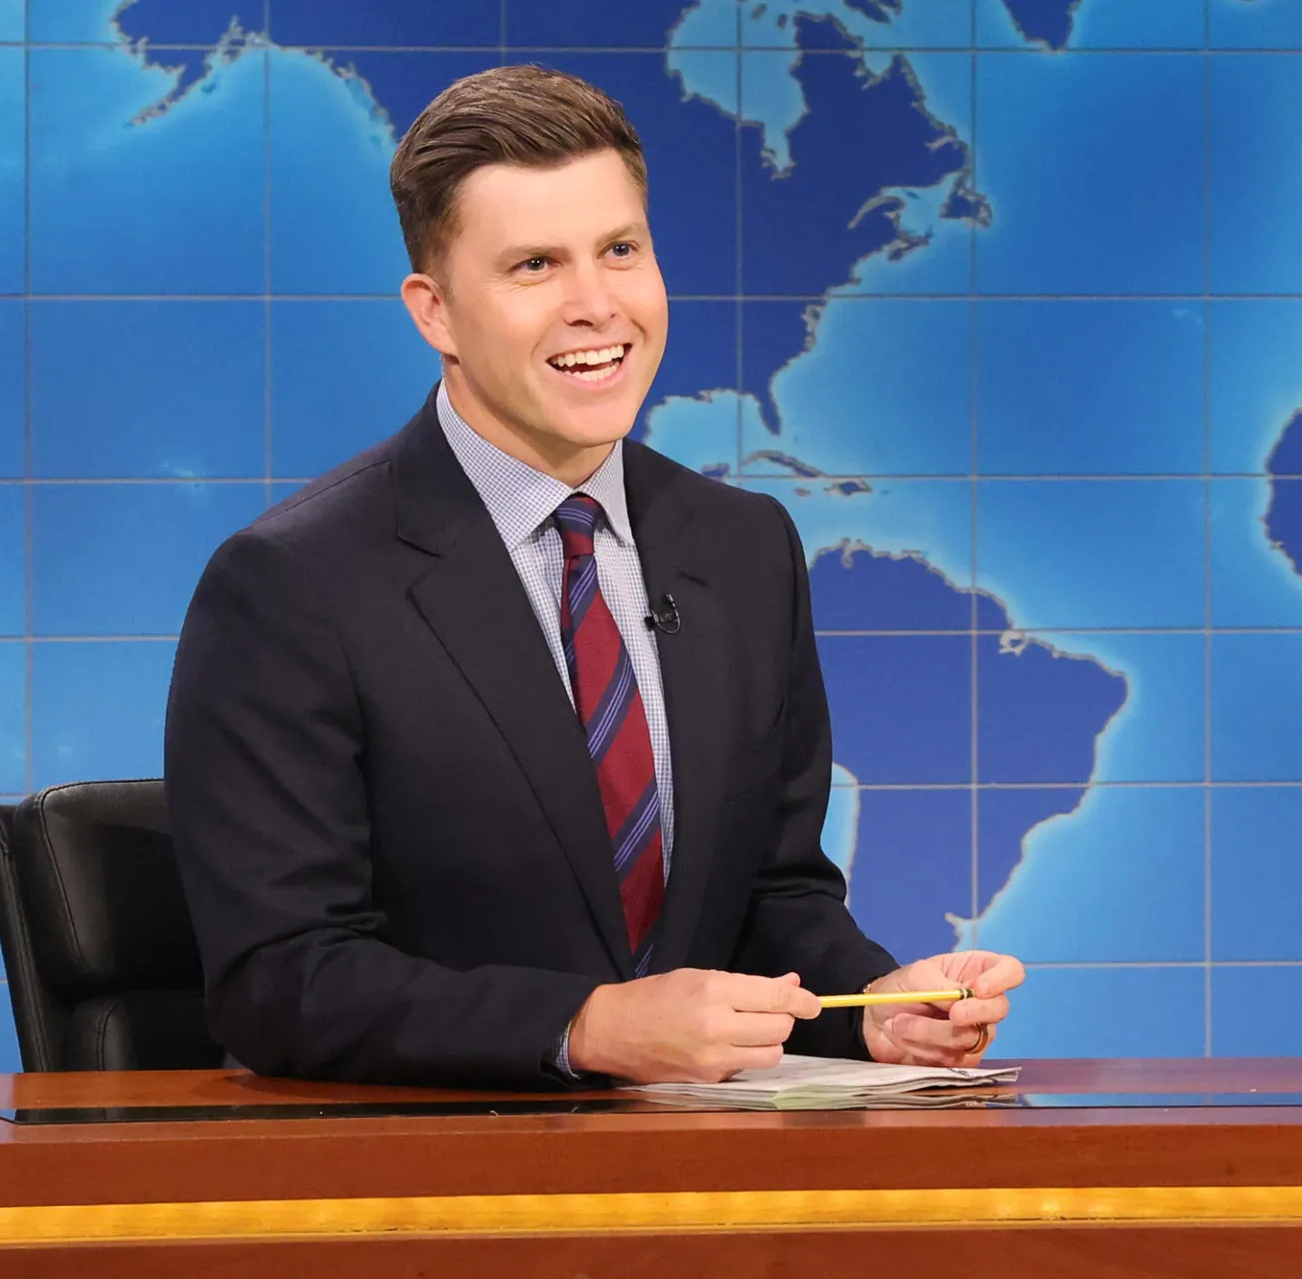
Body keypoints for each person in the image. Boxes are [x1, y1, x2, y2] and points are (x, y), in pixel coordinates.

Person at [164, 65, 1023, 1089]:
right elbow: (280, 977)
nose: (596, 305)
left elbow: (771, 895)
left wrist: (871, 1009)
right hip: (426, 1167)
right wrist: (585, 1026)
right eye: (534, 266)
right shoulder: (294, 585)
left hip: (694, 1166)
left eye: (620, 250)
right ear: (435, 313)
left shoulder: (743, 549)